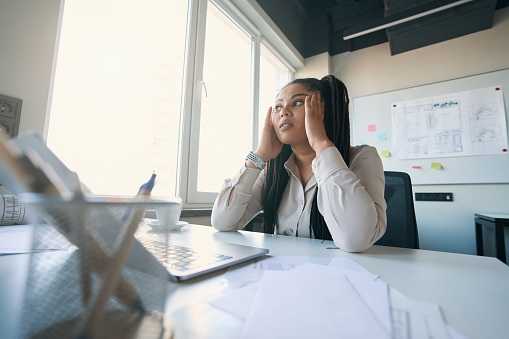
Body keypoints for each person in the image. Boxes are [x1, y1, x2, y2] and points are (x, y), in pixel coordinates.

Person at [211, 75, 386, 252]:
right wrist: (260, 155)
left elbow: (356, 240)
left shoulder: (362, 157)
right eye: (278, 106)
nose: (283, 112)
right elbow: (222, 222)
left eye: (297, 103)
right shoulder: (273, 171)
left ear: (323, 111)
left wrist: (320, 142)